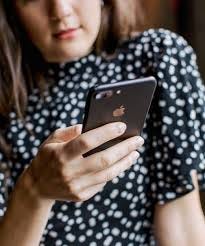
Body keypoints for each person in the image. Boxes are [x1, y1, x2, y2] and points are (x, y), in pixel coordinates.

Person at [0, 0, 205, 245]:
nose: (61, 11)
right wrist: (34, 191)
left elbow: (181, 223)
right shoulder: (6, 99)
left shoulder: (157, 56)